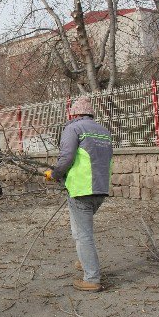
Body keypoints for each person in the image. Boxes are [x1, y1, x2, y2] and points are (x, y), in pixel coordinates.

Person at [47, 97, 112, 292]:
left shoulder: (73, 128)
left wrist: (55, 173)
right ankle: (86, 262)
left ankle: (92, 278)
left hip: (81, 188)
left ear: (74, 114)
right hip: (100, 188)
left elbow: (66, 156)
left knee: (84, 235)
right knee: (78, 231)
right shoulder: (104, 131)